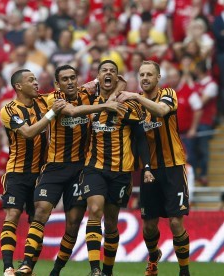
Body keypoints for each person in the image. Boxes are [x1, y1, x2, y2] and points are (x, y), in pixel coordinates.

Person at [15, 65, 126, 276]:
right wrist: (105, 106)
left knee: (74, 223)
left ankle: (56, 270)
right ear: (57, 84)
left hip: (80, 169)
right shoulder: (54, 98)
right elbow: (72, 111)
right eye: (64, 79)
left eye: (73, 78)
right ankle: (27, 263)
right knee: (41, 211)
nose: (69, 82)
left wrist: (115, 89)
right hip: (55, 167)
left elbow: (119, 80)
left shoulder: (87, 92)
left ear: (78, 79)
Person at [117, 60, 191, 276]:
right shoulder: (134, 106)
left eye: (149, 74)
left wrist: (135, 95)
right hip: (148, 170)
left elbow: (161, 111)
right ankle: (153, 258)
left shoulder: (168, 93)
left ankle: (184, 271)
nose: (145, 78)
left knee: (176, 222)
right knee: (149, 226)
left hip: (173, 167)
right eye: (142, 75)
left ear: (158, 78)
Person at [81, 60, 154, 276]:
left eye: (113, 71)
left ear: (117, 78)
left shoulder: (129, 104)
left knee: (112, 222)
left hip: (121, 171)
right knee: (94, 210)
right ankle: (95, 269)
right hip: (94, 167)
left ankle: (108, 271)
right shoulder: (89, 101)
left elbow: (141, 138)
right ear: (98, 76)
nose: (108, 73)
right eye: (104, 70)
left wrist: (146, 166)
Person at [0, 69, 65, 276]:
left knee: (37, 219)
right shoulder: (8, 110)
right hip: (17, 172)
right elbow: (27, 133)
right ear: (19, 86)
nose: (36, 83)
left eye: (36, 79)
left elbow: (71, 90)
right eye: (31, 80)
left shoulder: (43, 102)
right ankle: (8, 267)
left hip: (42, 174)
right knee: (12, 214)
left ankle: (27, 266)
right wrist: (52, 113)